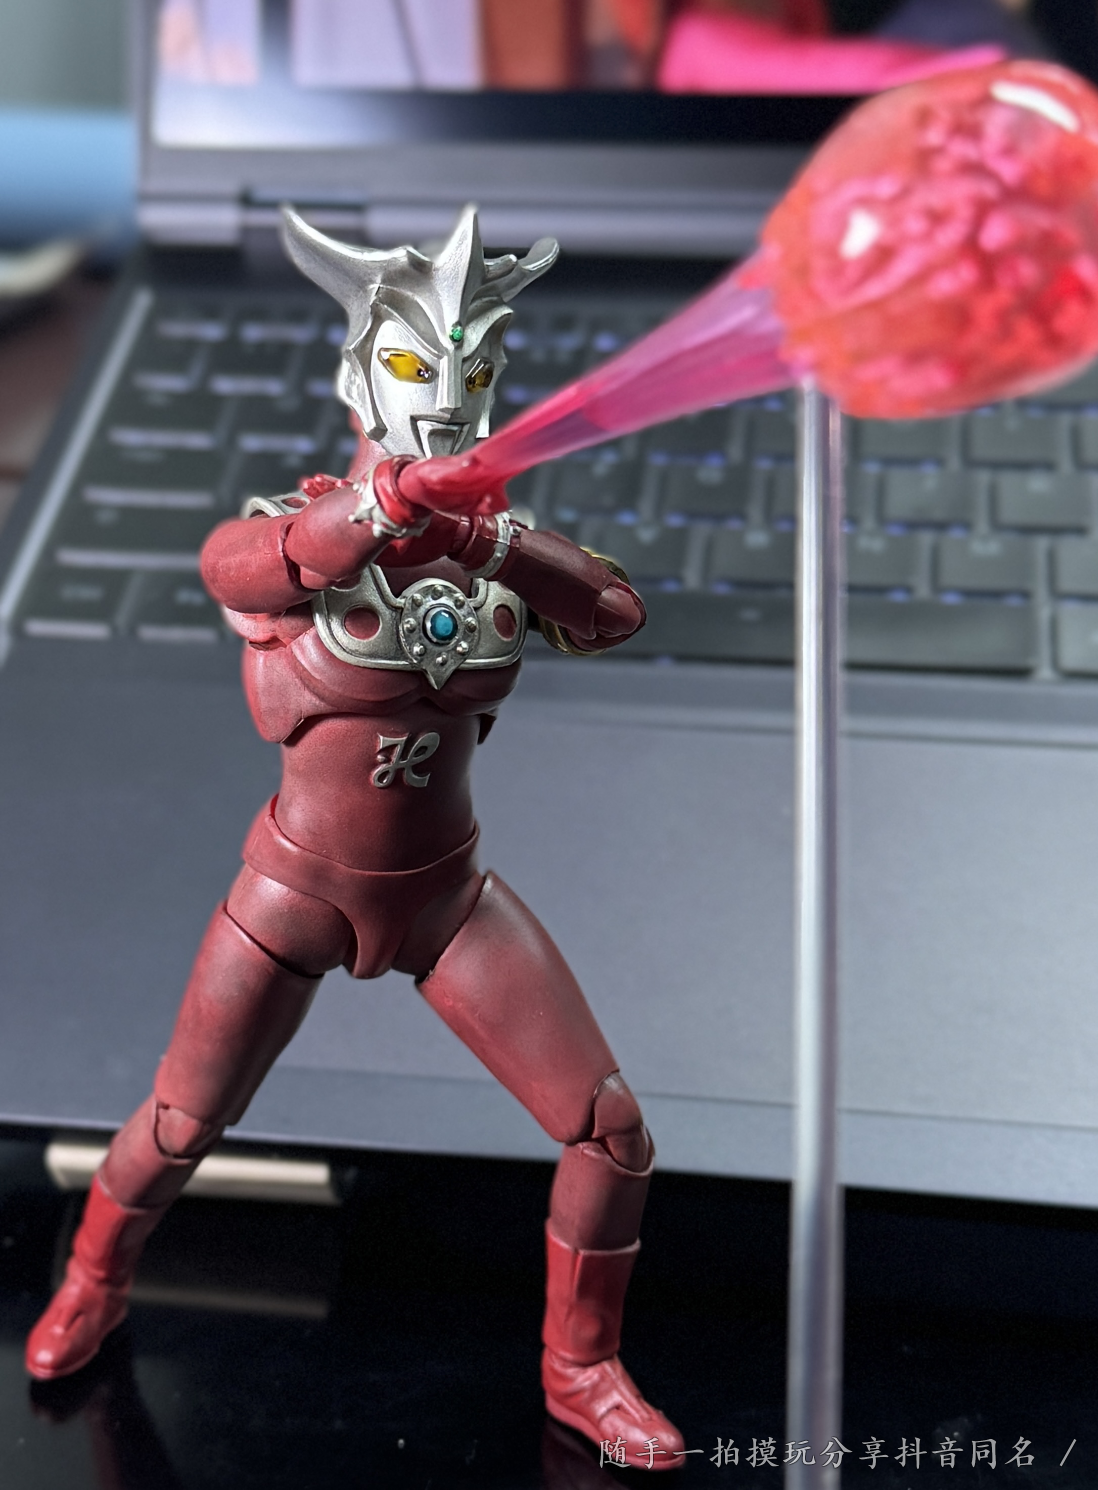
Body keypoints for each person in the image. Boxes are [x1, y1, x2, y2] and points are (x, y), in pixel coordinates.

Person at [26, 205, 684, 1467]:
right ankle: (94, 1277)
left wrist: (481, 533)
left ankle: (580, 1364)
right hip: (291, 895)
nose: (445, 398)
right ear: (363, 373)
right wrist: (377, 512)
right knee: (181, 1121)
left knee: (611, 1128)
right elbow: (236, 567)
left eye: (470, 371)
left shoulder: (494, 552)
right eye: (417, 366)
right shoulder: (306, 528)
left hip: (446, 896)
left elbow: (613, 611)